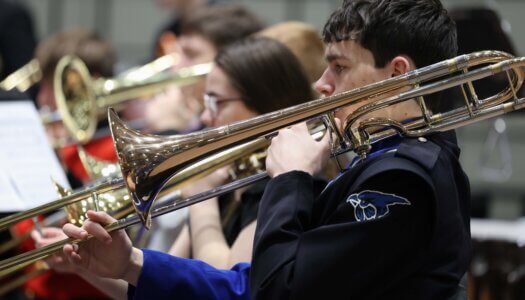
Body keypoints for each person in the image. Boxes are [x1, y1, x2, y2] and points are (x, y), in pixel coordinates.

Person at [60, 1, 470, 299]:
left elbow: (276, 290)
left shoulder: (405, 178)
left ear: (398, 74)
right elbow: (247, 286)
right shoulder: (380, 160)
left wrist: (291, 178)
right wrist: (130, 264)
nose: (321, 84)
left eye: (340, 68)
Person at [35, 36, 319, 299]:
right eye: (205, 101)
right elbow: (166, 285)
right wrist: (84, 265)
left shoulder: (279, 187)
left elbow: (226, 285)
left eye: (216, 102)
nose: (206, 116)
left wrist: (202, 200)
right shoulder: (232, 178)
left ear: (267, 107)